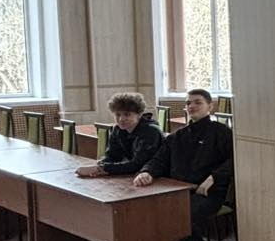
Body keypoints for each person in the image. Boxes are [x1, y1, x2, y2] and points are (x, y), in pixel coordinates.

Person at [133, 88, 234, 228]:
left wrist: (214, 177)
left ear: (210, 107)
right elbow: (159, 159)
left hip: (206, 191)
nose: (192, 106)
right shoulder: (177, 136)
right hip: (178, 190)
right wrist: (147, 172)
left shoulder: (221, 132)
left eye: (198, 102)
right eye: (188, 103)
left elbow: (234, 160)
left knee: (179, 215)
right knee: (145, 209)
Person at [76, 91, 162, 178]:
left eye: (127, 114)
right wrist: (100, 165)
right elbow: (112, 156)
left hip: (155, 176)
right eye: (117, 115)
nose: (121, 119)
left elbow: (138, 165)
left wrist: (101, 169)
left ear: (139, 114)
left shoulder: (151, 131)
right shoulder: (118, 129)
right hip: (134, 175)